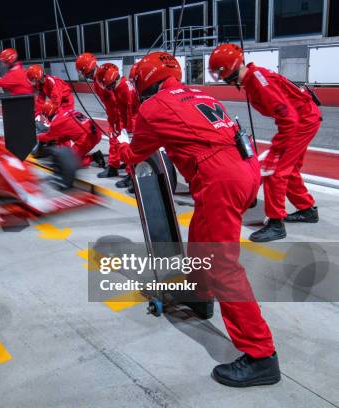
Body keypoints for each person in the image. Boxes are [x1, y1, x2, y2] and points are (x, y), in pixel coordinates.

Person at [117, 51, 280, 387]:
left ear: (144, 81)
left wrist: (120, 149)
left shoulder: (152, 107)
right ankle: (200, 298)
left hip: (220, 178)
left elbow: (137, 153)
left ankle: (262, 356)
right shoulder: (201, 93)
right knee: (199, 242)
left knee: (222, 265)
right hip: (245, 168)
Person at [208, 43, 321, 242]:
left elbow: (289, 119)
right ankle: (306, 209)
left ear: (228, 68)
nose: (219, 77)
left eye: (219, 72)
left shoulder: (258, 81)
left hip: (301, 121)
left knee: (274, 171)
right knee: (289, 168)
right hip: (304, 118)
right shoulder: (253, 78)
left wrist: (276, 151)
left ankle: (276, 224)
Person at [75, 53, 120, 178]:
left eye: (83, 71)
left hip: (118, 114)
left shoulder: (102, 77)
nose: (83, 75)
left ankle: (118, 168)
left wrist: (116, 118)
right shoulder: (98, 79)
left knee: (117, 140)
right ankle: (116, 165)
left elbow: (115, 98)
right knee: (115, 140)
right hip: (113, 113)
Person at [97, 63, 141, 182]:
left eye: (110, 87)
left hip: (132, 121)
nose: (110, 90)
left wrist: (129, 130)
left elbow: (131, 110)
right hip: (124, 120)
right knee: (120, 143)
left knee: (130, 147)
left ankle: (131, 174)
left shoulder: (125, 88)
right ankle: (124, 169)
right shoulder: (118, 87)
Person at [36, 101, 104, 167]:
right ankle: (70, 152)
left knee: (68, 162)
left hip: (87, 138)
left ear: (47, 114)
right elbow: (65, 133)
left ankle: (94, 157)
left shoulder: (56, 123)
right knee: (60, 139)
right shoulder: (67, 110)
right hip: (96, 131)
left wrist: (36, 136)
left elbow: (46, 137)